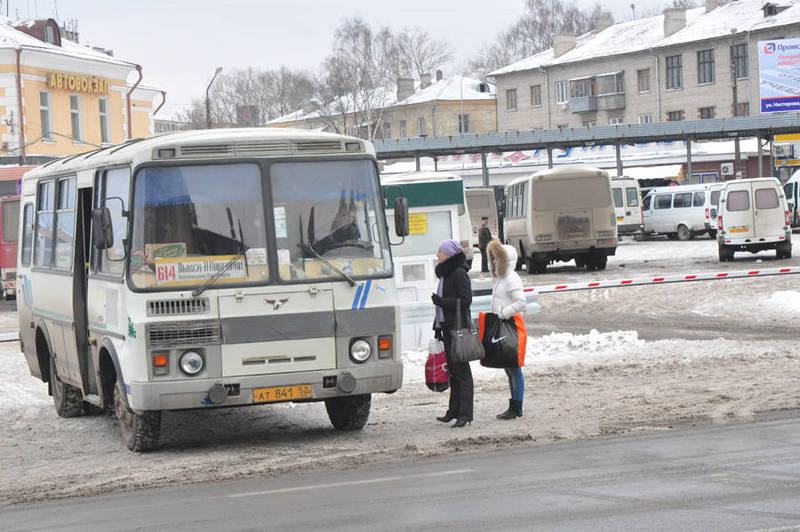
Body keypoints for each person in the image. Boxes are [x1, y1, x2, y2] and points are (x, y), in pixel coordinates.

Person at [431, 239, 474, 428]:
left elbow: (465, 300)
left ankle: (465, 414)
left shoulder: (458, 273)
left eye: (440, 252)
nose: (437, 255)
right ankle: (453, 411)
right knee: (454, 373)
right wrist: (438, 328)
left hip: (459, 329)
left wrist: (442, 302)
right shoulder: (446, 274)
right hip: (448, 328)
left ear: (448, 254)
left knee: (462, 373)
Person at [486, 239, 527, 420]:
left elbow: (521, 302)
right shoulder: (501, 279)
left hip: (510, 327)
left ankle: (517, 406)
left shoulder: (511, 279)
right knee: (509, 367)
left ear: (505, 260)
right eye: (492, 258)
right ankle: (514, 404)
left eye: (496, 258)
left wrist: (503, 314)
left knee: (514, 367)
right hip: (502, 327)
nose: (493, 261)